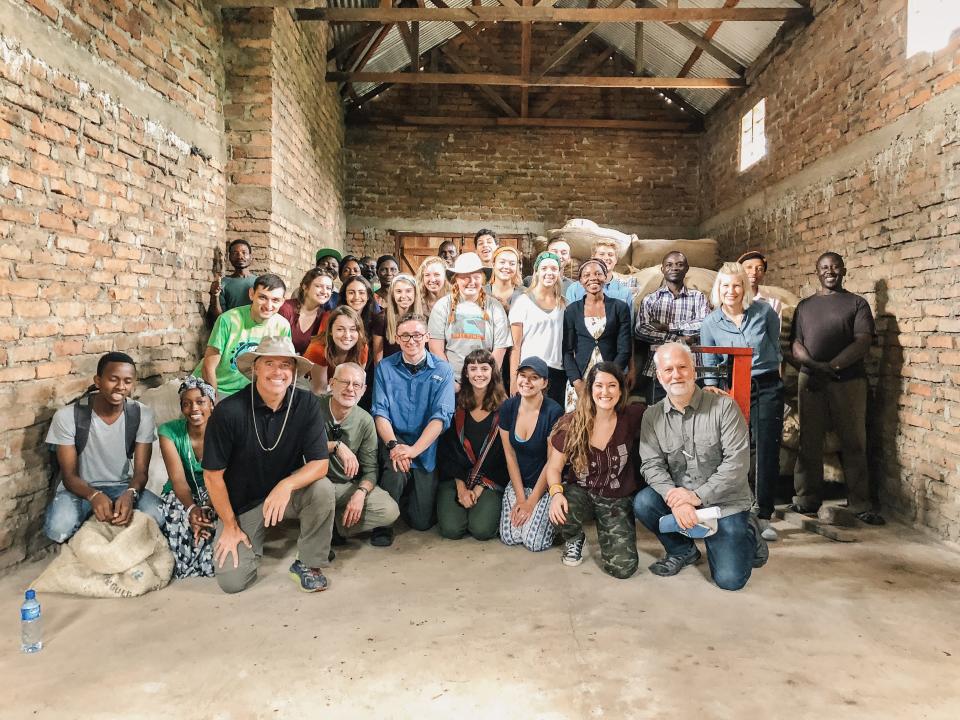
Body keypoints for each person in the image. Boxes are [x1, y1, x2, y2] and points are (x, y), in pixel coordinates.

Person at [633, 343, 768, 591]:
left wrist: (696, 497)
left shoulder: (724, 407)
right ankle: (683, 550)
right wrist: (678, 500)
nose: (676, 374)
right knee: (644, 502)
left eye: (682, 367)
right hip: (682, 497)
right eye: (669, 369)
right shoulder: (652, 416)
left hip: (725, 502)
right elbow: (651, 465)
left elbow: (737, 463)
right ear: (659, 376)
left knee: (730, 580)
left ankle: (748, 531)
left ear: (694, 370)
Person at [204, 337, 333, 593]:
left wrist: (286, 485)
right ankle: (253, 540)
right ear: (255, 368)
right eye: (269, 363)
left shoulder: (306, 404)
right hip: (244, 503)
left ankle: (308, 562)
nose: (278, 372)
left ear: (294, 371)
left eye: (285, 365)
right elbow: (212, 476)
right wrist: (229, 525)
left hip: (286, 496)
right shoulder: (229, 411)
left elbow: (320, 463)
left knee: (322, 489)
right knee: (232, 582)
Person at [790, 252, 883, 524]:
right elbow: (796, 343)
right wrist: (814, 366)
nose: (829, 271)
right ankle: (806, 498)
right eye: (824, 267)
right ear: (816, 272)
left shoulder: (857, 303)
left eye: (834, 267)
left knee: (854, 441)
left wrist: (833, 367)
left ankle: (859, 502)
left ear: (844, 270)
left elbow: (863, 341)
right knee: (809, 440)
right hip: (810, 380)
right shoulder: (805, 306)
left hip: (849, 381)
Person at [700, 262, 783, 541]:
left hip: (766, 385)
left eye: (737, 285)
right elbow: (710, 368)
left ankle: (763, 514)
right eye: (725, 285)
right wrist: (715, 393)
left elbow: (775, 348)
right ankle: (736, 510)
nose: (731, 291)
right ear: (718, 289)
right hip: (731, 389)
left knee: (766, 449)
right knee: (734, 450)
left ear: (745, 287)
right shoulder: (710, 323)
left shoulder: (764, 312)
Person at [44, 352, 163, 543]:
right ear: (98, 381)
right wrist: (94, 495)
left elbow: (141, 472)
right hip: (80, 488)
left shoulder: (142, 414)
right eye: (113, 379)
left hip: (122, 486)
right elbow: (69, 476)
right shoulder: (68, 416)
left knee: (159, 517)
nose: (120, 387)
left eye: (127, 381)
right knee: (58, 528)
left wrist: (130, 494)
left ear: (133, 384)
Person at [545, 362, 644, 579]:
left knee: (624, 569)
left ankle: (609, 531)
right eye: (599, 385)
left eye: (612, 385)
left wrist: (708, 393)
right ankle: (574, 537)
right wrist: (556, 493)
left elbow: (667, 407)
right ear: (590, 389)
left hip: (616, 498)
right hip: (581, 492)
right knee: (559, 512)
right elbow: (554, 467)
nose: (605, 392)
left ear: (621, 390)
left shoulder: (632, 415)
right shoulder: (572, 422)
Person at [371, 313, 456, 545]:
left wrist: (414, 450)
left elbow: (441, 417)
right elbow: (380, 412)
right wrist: (395, 445)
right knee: (396, 471)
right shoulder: (385, 368)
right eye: (405, 336)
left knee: (422, 522)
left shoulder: (443, 370)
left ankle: (407, 498)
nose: (411, 340)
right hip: (394, 441)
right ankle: (383, 524)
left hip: (424, 445)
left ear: (427, 336)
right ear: (397, 339)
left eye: (417, 335)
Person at [318, 363, 400, 545]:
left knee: (389, 510)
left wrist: (360, 493)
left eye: (356, 385)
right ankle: (318, 531)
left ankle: (331, 528)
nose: (350, 389)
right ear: (332, 383)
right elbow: (300, 451)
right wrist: (335, 446)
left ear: (363, 390)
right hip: (315, 484)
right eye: (344, 382)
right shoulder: (313, 409)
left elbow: (371, 469)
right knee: (320, 491)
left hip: (344, 486)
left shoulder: (365, 420)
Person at [435, 350, 509, 541]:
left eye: (484, 368)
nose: (479, 374)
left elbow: (504, 457)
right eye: (473, 368)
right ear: (465, 373)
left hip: (490, 479)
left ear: (493, 372)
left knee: (481, 530)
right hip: (456, 477)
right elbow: (447, 451)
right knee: (452, 530)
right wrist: (461, 489)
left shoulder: (505, 408)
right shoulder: (455, 404)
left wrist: (477, 489)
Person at [499, 357, 564, 552]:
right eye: (523, 376)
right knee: (510, 537)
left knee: (533, 542)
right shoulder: (508, 408)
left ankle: (559, 527)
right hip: (519, 482)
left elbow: (552, 463)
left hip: (543, 485)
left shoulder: (553, 411)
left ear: (544, 383)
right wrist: (520, 498)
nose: (526, 382)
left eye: (534, 377)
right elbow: (509, 455)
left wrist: (531, 502)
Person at [157, 377, 217, 578]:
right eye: (186, 403)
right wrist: (192, 509)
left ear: (212, 403)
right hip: (182, 493)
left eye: (200, 402)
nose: (194, 408)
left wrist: (207, 507)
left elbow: (226, 477)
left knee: (214, 521)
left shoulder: (224, 430)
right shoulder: (169, 432)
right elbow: (178, 480)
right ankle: (188, 563)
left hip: (216, 489)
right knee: (179, 516)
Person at [195, 273, 291, 398]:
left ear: (283, 301)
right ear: (251, 294)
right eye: (262, 297)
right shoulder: (227, 320)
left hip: (251, 393)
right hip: (218, 387)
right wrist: (214, 401)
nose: (268, 305)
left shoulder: (282, 326)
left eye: (275, 300)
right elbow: (208, 366)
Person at [427, 252, 512, 389]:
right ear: (456, 279)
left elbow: (500, 348)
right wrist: (450, 381)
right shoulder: (442, 306)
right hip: (452, 382)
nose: (471, 282)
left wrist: (485, 379)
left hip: (486, 383)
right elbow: (435, 348)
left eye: (476, 277)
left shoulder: (495, 307)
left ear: (483, 279)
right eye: (465, 277)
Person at [634, 251, 710, 404]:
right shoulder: (650, 300)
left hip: (693, 369)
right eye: (669, 265)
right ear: (662, 269)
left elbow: (704, 325)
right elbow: (641, 329)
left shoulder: (698, 298)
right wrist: (677, 339)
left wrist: (667, 326)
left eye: (679, 264)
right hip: (658, 370)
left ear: (687, 268)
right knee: (658, 419)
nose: (674, 268)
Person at [562, 259, 631, 411]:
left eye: (598, 273)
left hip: (610, 380)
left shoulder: (620, 308)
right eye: (586, 275)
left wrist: (609, 378)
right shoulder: (572, 310)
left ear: (605, 277)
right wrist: (577, 383)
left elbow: (624, 349)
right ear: (580, 281)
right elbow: (567, 352)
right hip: (580, 379)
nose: (593, 277)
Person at [509, 251, 566, 404]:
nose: (549, 273)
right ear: (536, 272)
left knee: (554, 423)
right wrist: (514, 380)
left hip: (557, 372)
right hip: (530, 371)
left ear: (559, 273)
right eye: (544, 268)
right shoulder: (523, 302)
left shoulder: (563, 304)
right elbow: (515, 345)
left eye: (554, 269)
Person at [304, 306, 369, 394]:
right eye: (340, 329)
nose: (347, 335)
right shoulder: (317, 349)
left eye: (353, 329)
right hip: (308, 385)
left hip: (337, 387)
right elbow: (319, 390)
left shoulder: (362, 348)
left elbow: (356, 384)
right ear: (330, 330)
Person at [563, 237, 632, 307]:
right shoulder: (575, 289)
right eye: (601, 254)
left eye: (610, 255)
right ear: (593, 258)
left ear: (616, 260)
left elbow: (628, 317)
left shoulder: (625, 292)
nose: (606, 258)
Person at [279, 268, 332, 355]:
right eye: (318, 286)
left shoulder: (324, 317)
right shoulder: (286, 308)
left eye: (329, 288)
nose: (324, 291)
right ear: (305, 286)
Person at [373, 273, 422, 362]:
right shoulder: (382, 318)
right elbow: (377, 357)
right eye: (399, 291)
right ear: (392, 294)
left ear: (415, 293)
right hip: (390, 370)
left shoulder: (423, 318)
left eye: (408, 291)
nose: (403, 296)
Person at [208, 239, 256, 322]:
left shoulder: (259, 282)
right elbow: (218, 318)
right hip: (232, 330)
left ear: (251, 257)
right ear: (229, 257)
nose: (240, 256)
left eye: (244, 253)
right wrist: (214, 295)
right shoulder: (223, 283)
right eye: (235, 253)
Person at [737, 250, 783, 318]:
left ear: (764, 273)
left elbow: (775, 328)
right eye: (749, 267)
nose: (754, 272)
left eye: (759, 269)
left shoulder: (773, 302)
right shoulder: (730, 297)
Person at [485, 245, 524, 314]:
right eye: (502, 262)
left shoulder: (525, 294)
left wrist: (507, 308)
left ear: (517, 267)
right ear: (493, 264)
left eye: (512, 264)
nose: (506, 267)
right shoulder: (482, 292)